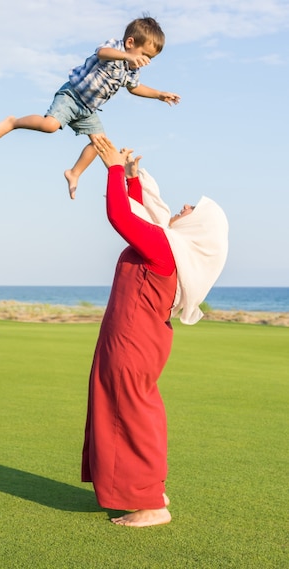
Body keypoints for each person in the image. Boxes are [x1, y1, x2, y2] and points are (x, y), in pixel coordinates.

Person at [82, 137, 229, 527]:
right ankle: (149, 489)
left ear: (198, 227)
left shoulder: (165, 248)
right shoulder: (166, 246)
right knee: (133, 412)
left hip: (132, 342)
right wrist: (130, 176)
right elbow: (139, 217)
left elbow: (121, 218)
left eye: (192, 209)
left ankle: (151, 504)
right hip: (135, 339)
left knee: (131, 414)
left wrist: (113, 168)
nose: (184, 207)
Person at [0, 16, 180, 200]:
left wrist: (159, 94)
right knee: (50, 126)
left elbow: (134, 87)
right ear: (130, 42)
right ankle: (14, 122)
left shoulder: (132, 69)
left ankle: (74, 173)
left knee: (101, 144)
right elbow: (102, 53)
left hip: (88, 110)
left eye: (151, 58)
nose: (146, 61)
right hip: (72, 96)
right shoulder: (116, 47)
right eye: (145, 55)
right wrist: (125, 55)